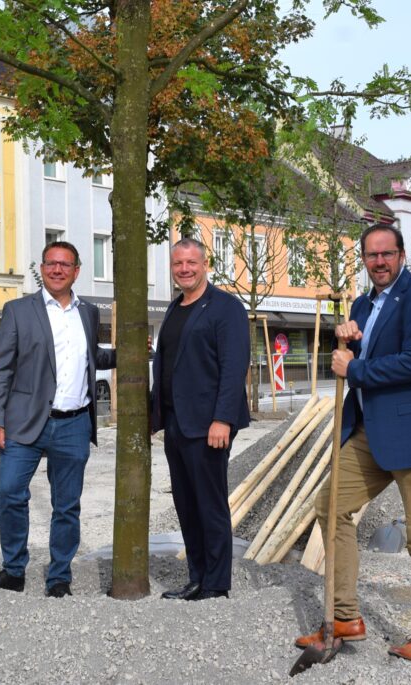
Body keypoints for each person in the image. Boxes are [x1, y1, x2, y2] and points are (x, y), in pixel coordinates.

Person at [293, 223, 411, 662]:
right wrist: (350, 341)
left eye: (387, 254)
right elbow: (363, 352)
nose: (380, 262)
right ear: (364, 260)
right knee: (330, 507)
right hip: (370, 432)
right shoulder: (363, 304)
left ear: (401, 255)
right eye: (371, 255)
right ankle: (346, 616)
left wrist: (356, 370)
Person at [0, 241, 115, 598]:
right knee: (9, 492)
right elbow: (1, 370)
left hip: (73, 424)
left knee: (67, 505)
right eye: (50, 263)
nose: (56, 270)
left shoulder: (89, 313)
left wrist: (125, 353)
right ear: (41, 268)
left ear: (76, 271)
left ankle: (59, 577)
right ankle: (13, 570)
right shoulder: (19, 310)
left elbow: (91, 356)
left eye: (64, 264)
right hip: (24, 421)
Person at [151, 237, 250, 601]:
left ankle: (216, 582)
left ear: (205, 264)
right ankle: (197, 576)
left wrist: (222, 418)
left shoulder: (225, 308)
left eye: (191, 263)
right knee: (186, 503)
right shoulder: (176, 308)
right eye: (178, 264)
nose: (184, 269)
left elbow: (233, 366)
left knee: (209, 502)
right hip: (177, 421)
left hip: (209, 423)